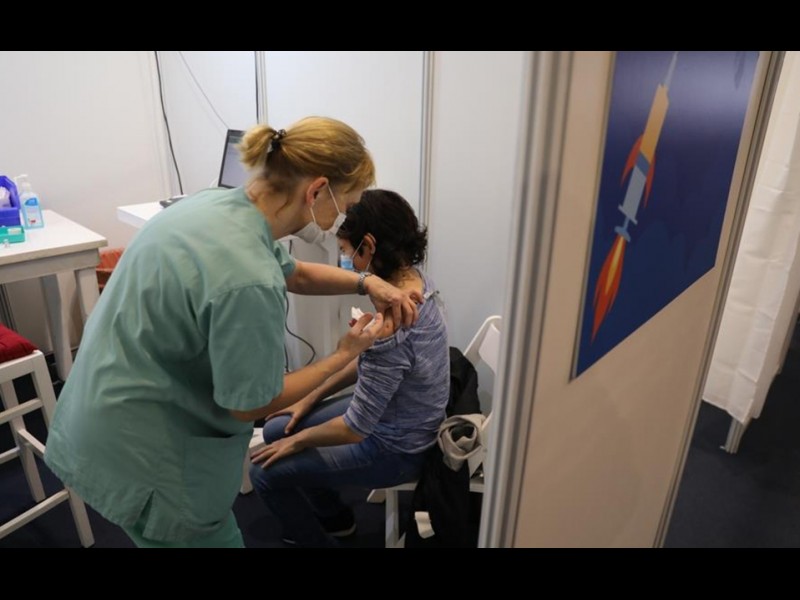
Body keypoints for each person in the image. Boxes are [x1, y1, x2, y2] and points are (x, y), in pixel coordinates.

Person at [44, 118, 423, 548]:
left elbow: (294, 272)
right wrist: (342, 354)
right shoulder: (249, 279)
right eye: (346, 205)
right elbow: (250, 405)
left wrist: (365, 283)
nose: (342, 219)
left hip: (98, 406)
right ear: (317, 190)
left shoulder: (212, 208)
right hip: (148, 453)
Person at [249, 188, 450, 547]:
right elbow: (366, 362)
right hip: (402, 416)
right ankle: (336, 519)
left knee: (263, 473)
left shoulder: (393, 326)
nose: (347, 261)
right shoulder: (415, 282)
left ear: (368, 246)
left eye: (345, 250)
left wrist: (298, 442)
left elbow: (355, 428)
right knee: (278, 427)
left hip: (398, 450)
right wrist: (308, 399)